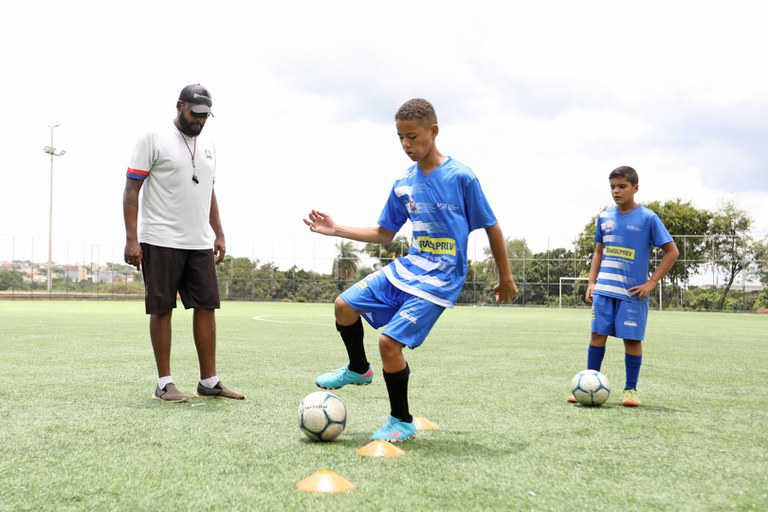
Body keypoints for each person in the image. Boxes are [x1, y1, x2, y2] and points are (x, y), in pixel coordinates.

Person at [303, 98, 517, 442]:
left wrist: (505, 278)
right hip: (409, 266)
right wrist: (336, 228)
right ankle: (358, 369)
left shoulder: (461, 177)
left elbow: (491, 226)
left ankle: (401, 421)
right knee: (344, 305)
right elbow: (384, 233)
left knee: (389, 343)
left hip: (442, 278)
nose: (406, 144)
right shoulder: (403, 182)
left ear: (433, 131)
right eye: (400, 137)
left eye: (412, 137)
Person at [123, 84, 244, 403]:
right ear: (180, 106)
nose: (200, 120)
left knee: (206, 305)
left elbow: (208, 191)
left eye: (205, 115)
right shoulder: (153, 139)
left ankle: (209, 381)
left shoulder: (208, 146)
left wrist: (219, 233)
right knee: (162, 307)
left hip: (199, 242)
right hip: (159, 238)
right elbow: (131, 190)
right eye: (195, 113)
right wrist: (131, 239)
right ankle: (165, 384)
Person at [568, 165, 679, 407]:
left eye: (622, 186)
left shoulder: (648, 218)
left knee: (632, 340)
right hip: (604, 290)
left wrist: (651, 282)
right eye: (612, 187)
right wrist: (591, 282)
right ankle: (588, 384)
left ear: (635, 188)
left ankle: (630, 390)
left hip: (632, 293)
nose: (616, 191)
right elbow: (598, 252)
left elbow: (672, 252)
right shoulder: (604, 217)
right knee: (597, 335)